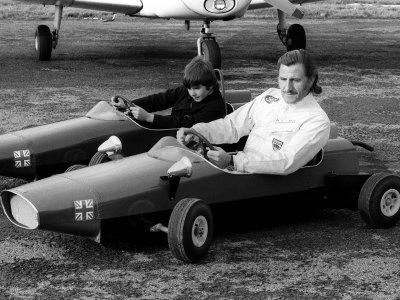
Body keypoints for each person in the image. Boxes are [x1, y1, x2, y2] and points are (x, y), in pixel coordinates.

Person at [177, 49, 330, 175]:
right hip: (240, 173)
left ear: (311, 80)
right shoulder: (270, 95)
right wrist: (197, 131)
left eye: (295, 80)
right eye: (283, 79)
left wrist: (232, 161)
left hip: (268, 185)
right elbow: (232, 125)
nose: (287, 87)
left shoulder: (317, 120)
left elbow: (286, 161)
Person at [112, 56, 226, 129]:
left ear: (210, 86)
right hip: (171, 134)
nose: (192, 93)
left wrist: (149, 117)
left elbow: (184, 123)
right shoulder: (186, 90)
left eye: (196, 88)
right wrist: (128, 104)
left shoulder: (215, 107)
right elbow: (161, 99)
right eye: (189, 88)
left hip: (189, 143)